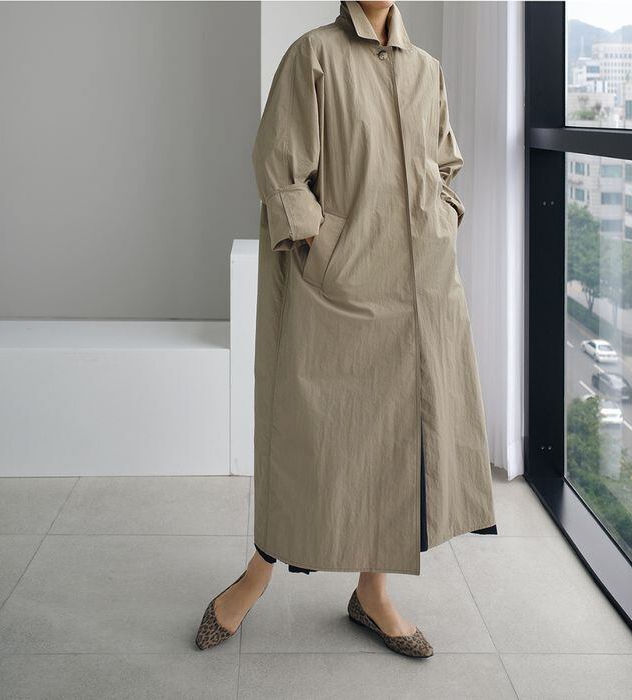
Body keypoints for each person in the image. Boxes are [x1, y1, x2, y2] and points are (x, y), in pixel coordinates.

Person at [195, 1, 497, 659]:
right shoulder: (314, 55)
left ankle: (373, 593)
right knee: (311, 438)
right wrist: (325, 247)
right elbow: (279, 167)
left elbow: (445, 163)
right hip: (344, 284)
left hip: (423, 288)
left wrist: (443, 217)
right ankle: (255, 576)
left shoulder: (427, 68)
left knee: (399, 439)